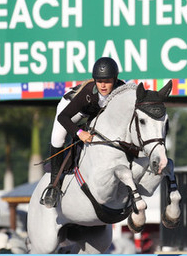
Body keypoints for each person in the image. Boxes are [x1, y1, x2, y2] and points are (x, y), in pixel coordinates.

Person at [42, 57, 125, 207]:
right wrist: (79, 132)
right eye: (99, 81)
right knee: (58, 138)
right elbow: (63, 117)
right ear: (95, 81)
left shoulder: (121, 90)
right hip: (73, 109)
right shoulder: (88, 92)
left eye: (107, 81)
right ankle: (53, 185)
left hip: (95, 114)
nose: (103, 85)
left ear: (115, 79)